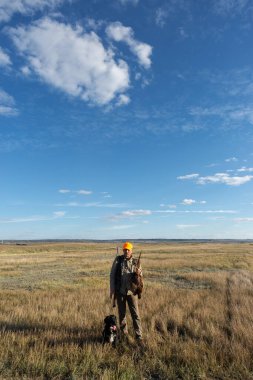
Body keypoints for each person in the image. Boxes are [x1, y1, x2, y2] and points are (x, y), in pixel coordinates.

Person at [110, 242, 143, 342]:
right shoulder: (118, 260)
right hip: (120, 292)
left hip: (132, 293)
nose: (126, 251)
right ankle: (124, 334)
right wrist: (112, 289)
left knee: (135, 314)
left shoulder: (136, 262)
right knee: (122, 314)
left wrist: (138, 274)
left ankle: (139, 336)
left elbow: (141, 278)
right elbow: (112, 275)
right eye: (125, 249)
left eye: (128, 249)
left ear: (131, 250)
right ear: (123, 250)